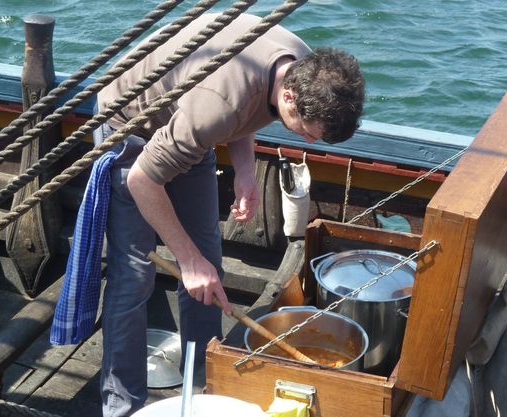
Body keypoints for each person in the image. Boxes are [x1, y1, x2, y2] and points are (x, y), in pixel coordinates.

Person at [95, 12, 365, 417]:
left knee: (210, 268)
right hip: (131, 130)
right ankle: (122, 406)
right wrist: (185, 261)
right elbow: (142, 180)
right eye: (307, 131)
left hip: (189, 128)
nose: (309, 140)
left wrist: (245, 170)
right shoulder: (217, 106)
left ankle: (209, 386)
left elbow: (248, 105)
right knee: (135, 276)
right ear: (289, 96)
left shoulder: (303, 68)